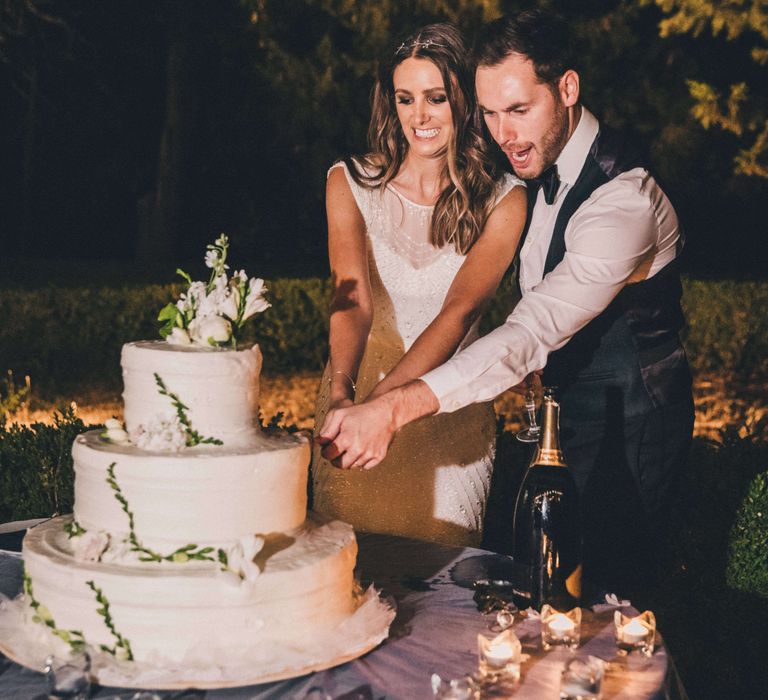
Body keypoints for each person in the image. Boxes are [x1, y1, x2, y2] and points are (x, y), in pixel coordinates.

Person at [318, 10, 694, 595]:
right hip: (554, 420)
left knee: (611, 601)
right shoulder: (530, 173)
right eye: (491, 113)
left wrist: (388, 408)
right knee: (543, 592)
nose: (504, 133)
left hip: (633, 425)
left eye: (519, 110)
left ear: (567, 89)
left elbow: (531, 329)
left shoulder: (625, 201)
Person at [312, 22, 527, 547]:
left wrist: (381, 411)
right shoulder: (350, 182)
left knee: (442, 587)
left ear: (463, 102)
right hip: (356, 393)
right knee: (346, 574)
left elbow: (457, 316)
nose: (419, 117)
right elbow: (352, 296)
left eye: (435, 98)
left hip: (447, 410)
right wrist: (345, 395)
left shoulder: (504, 200)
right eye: (405, 98)